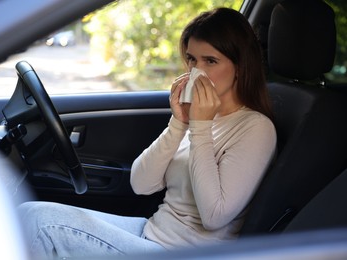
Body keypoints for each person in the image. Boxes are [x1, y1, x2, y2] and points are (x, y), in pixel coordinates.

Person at [18, 7, 277, 259]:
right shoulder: (201, 116)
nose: (196, 71)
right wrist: (179, 123)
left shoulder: (255, 128)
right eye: (191, 59)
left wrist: (200, 128)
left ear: (240, 66)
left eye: (210, 61)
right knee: (28, 212)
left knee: (41, 224)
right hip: (151, 234)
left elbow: (214, 216)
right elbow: (141, 184)